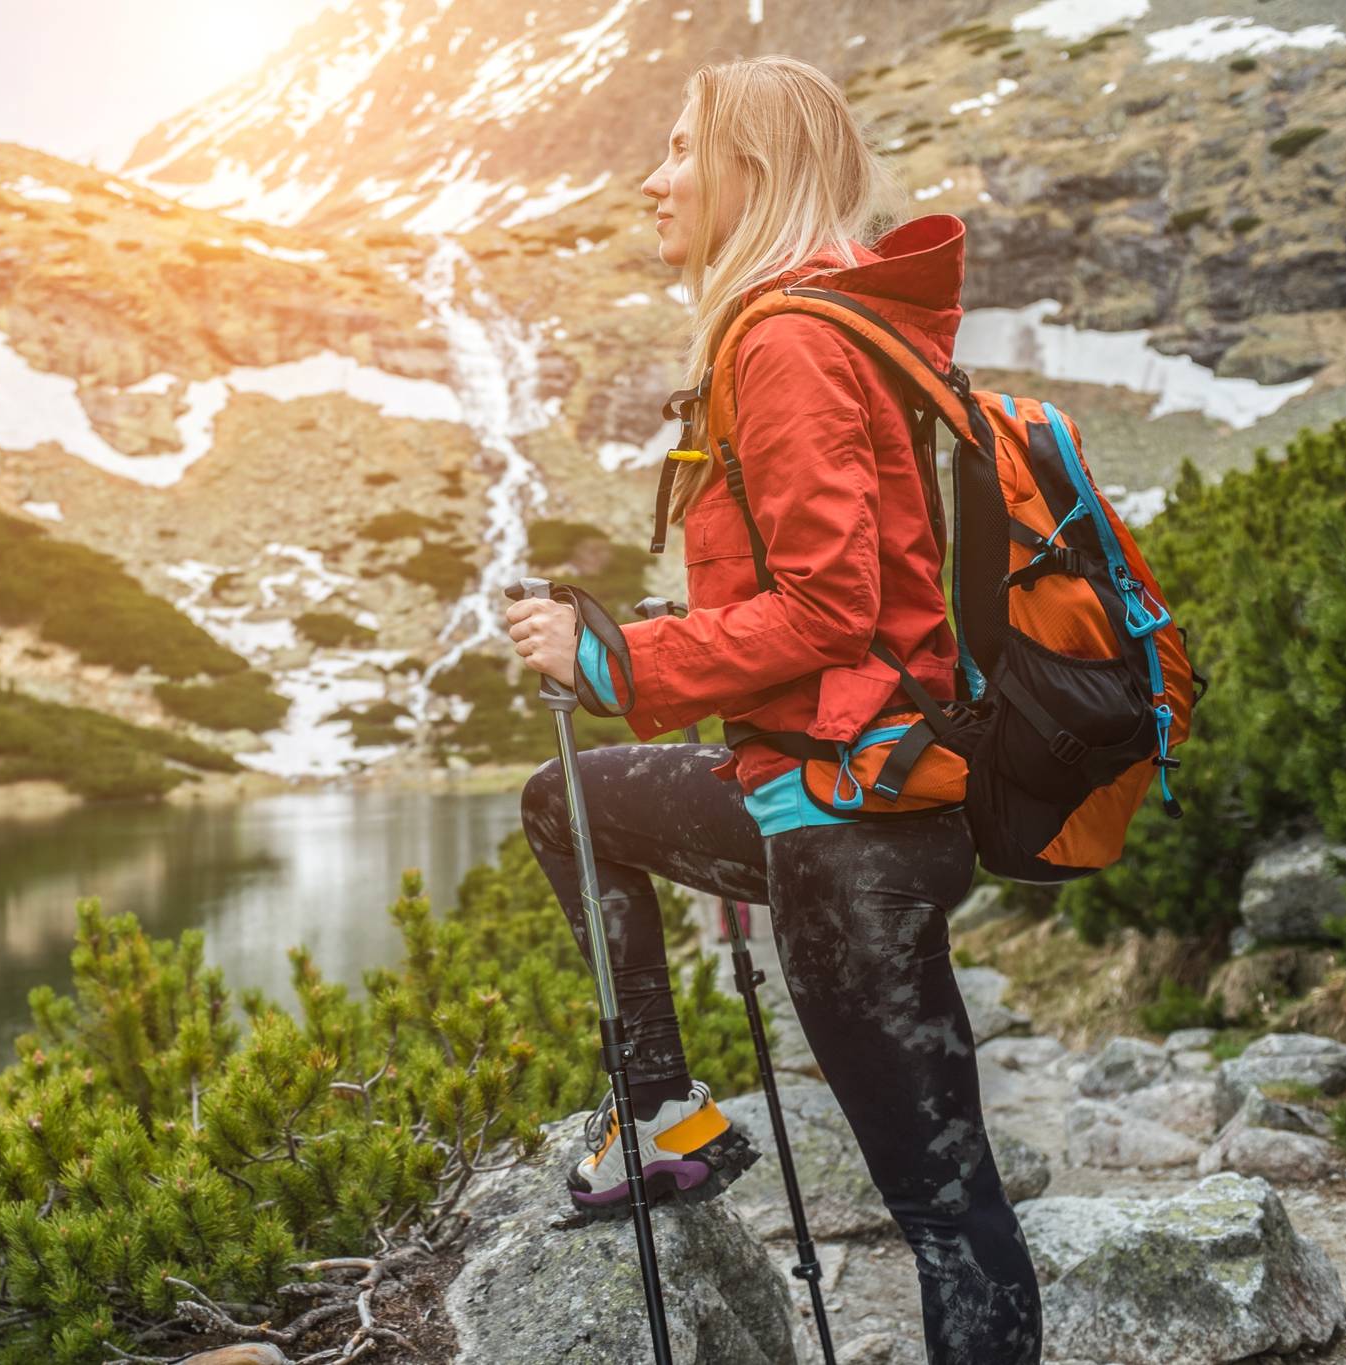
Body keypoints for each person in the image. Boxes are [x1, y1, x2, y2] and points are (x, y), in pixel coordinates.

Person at [504, 55, 1042, 1364]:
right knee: (565, 801)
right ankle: (664, 1120)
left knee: (946, 1209)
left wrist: (613, 660)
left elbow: (827, 609)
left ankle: (666, 1118)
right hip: (829, 797)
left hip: (854, 828)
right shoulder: (819, 324)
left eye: (683, 150)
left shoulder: (788, 340)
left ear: (752, 167)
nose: (654, 178)